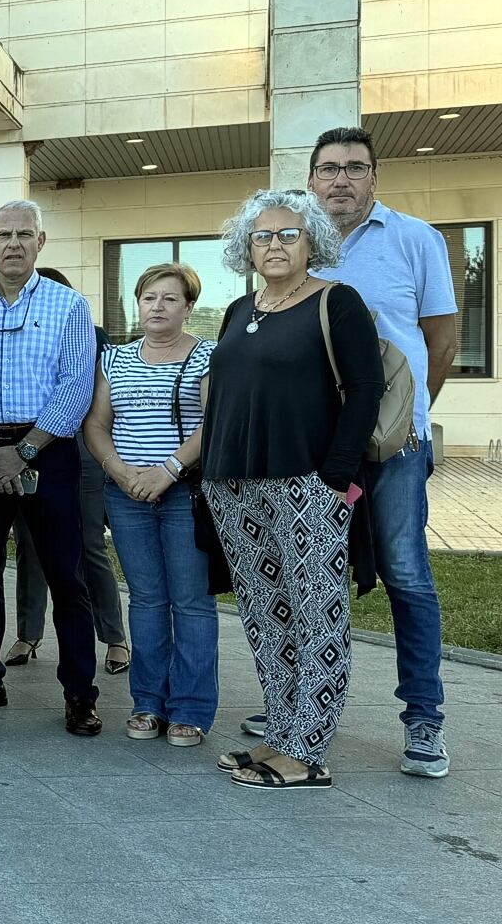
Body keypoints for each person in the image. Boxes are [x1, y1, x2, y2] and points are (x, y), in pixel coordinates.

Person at [200, 188, 381, 789]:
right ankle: (280, 735)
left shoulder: (338, 303)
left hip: (307, 483)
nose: (274, 245)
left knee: (315, 616)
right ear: (244, 247)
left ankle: (306, 752)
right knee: (264, 614)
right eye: (262, 236)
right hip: (235, 486)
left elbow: (364, 391)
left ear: (312, 244)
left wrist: (335, 478)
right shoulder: (237, 310)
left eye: (288, 235)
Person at [305, 126, 457, 778]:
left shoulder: (416, 240)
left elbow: (442, 341)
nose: (342, 179)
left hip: (395, 447)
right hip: (313, 443)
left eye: (355, 168)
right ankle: (300, 707)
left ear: (375, 177)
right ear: (312, 179)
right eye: (330, 169)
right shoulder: (293, 241)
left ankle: (423, 717)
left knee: (405, 572)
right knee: (311, 577)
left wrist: (402, 417)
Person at [0, 200, 103, 736]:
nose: (13, 243)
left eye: (24, 234)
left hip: (49, 448)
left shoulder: (69, 306)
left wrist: (24, 451)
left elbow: (76, 387)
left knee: (67, 573)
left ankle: (80, 693)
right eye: (3, 235)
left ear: (41, 242)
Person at [82, 262, 217, 747]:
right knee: (146, 599)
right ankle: (148, 703)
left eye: (169, 298)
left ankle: (191, 709)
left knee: (192, 603)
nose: (157, 307)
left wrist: (168, 471)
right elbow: (96, 425)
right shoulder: (114, 359)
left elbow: (211, 423)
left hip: (183, 493)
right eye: (148, 297)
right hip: (127, 495)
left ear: (188, 307)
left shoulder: (207, 355)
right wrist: (120, 472)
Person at [7, 267, 130, 674]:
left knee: (90, 543)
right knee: (28, 543)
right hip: (28, 449)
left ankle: (114, 638)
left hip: (80, 449)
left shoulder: (92, 333)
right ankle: (28, 634)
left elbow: (93, 394)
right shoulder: (15, 327)